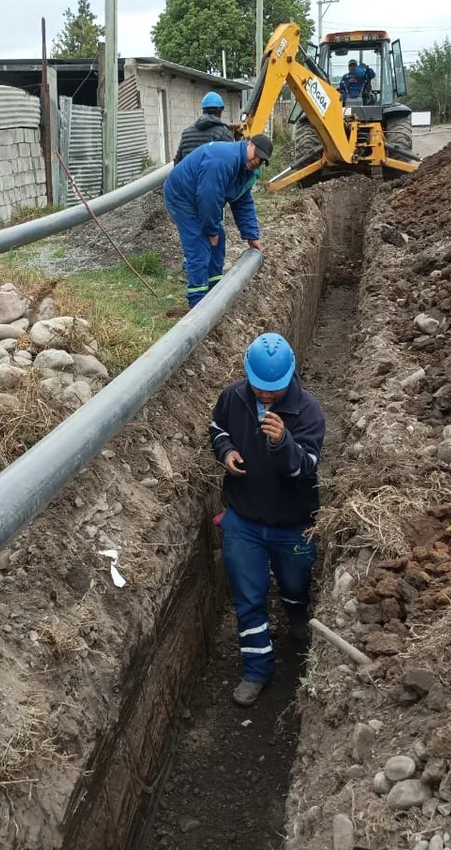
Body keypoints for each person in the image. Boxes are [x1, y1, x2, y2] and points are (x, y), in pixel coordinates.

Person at [209, 333, 326, 706]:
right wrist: (226, 451)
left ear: (290, 377)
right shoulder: (233, 396)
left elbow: (305, 470)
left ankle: (297, 614)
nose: (265, 396)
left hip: (291, 523)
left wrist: (282, 443)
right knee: (248, 596)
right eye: (259, 388)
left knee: (294, 582)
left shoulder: (308, 412)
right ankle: (257, 670)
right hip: (243, 520)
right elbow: (217, 429)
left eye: (273, 390)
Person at [162, 135, 271, 309]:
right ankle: (198, 305)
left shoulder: (246, 170)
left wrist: (252, 235)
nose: (256, 161)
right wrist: (211, 231)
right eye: (255, 154)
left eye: (261, 160)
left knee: (218, 244)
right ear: (248, 143)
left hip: (201, 198)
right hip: (181, 196)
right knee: (199, 245)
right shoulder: (222, 160)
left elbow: (242, 202)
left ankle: (214, 293)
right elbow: (209, 197)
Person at [173, 91, 233, 164]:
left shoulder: (186, 133)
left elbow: (177, 162)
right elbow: (232, 161)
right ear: (220, 111)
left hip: (189, 175)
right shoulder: (223, 132)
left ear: (203, 110)